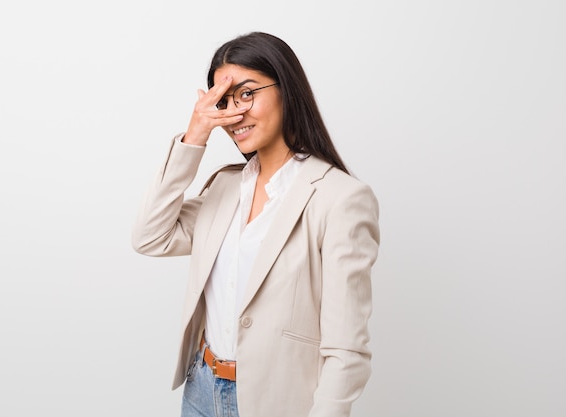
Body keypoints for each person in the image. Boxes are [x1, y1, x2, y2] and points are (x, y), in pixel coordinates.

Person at [132, 31, 380, 417]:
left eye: (248, 93)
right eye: (224, 102)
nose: (235, 113)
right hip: (201, 391)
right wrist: (195, 134)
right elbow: (150, 237)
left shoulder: (339, 198)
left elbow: (346, 349)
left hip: (276, 403)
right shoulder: (225, 187)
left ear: (287, 90)